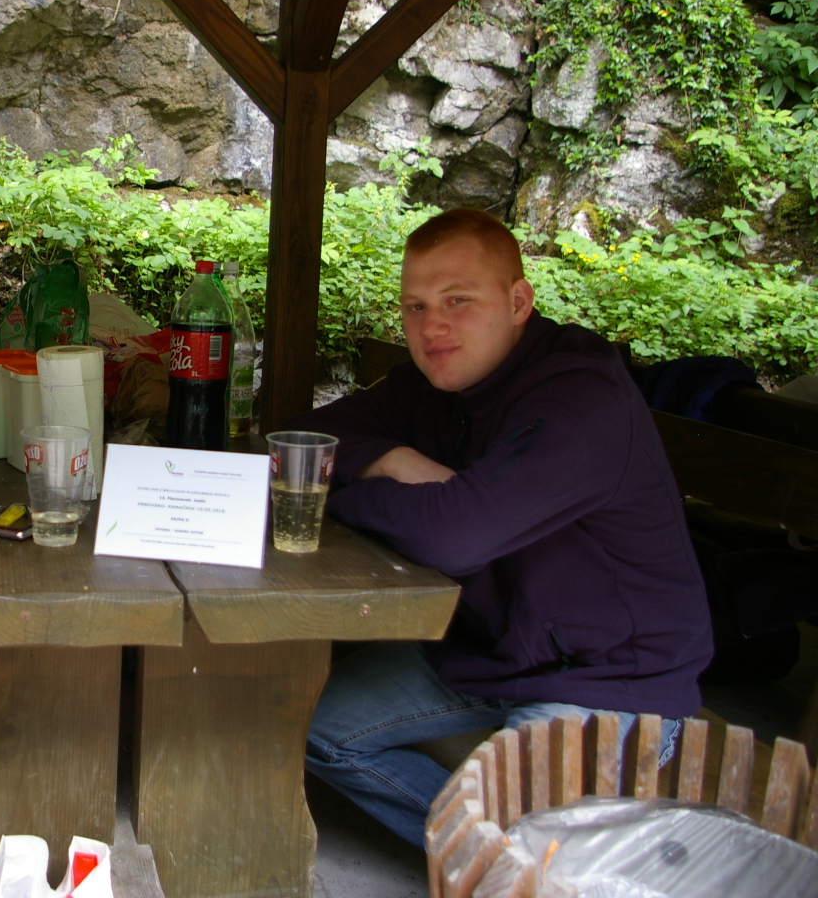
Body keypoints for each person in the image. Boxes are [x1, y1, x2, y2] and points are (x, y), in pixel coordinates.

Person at [291, 207, 713, 848]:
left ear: (518, 302)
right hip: (489, 653)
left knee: (535, 848)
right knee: (313, 728)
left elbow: (451, 536)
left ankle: (519, 860)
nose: (432, 326)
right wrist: (395, 462)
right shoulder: (435, 383)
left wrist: (361, 493)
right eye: (415, 306)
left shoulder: (580, 394)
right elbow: (305, 440)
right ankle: (498, 855)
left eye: (457, 300)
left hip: (609, 678)